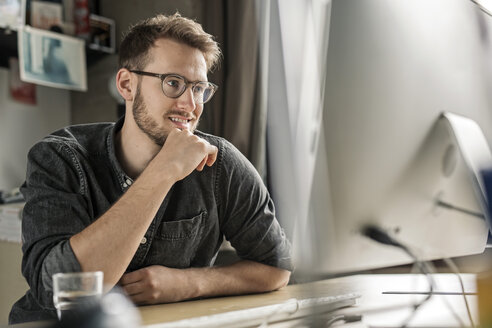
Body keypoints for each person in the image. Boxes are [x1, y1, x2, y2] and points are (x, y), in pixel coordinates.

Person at [9, 13, 292, 324]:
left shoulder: (220, 163)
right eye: (173, 83)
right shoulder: (59, 157)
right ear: (127, 85)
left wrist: (188, 284)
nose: (190, 104)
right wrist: (162, 172)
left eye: (198, 88)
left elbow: (277, 266)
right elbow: (54, 288)